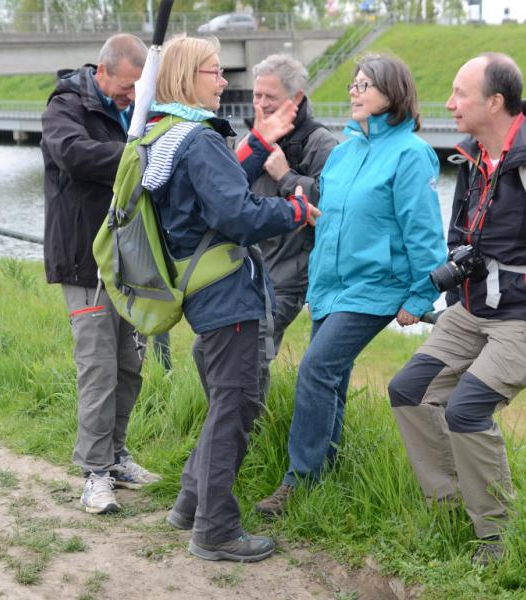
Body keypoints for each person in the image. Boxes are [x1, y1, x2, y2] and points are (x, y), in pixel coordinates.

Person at [387, 53, 526, 567]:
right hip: (471, 310)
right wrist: (449, 298)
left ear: (495, 101)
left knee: (467, 409)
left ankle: (498, 538)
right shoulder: (472, 155)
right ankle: (447, 512)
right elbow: (459, 233)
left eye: (460, 93)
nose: (449, 103)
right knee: (408, 390)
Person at [147, 37, 317, 562]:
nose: (224, 82)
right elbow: (236, 215)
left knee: (226, 403)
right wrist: (295, 212)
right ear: (186, 76)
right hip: (228, 296)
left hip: (202, 292)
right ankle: (216, 530)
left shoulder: (167, 135)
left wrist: (261, 145)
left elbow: (213, 195)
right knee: (236, 407)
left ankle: (189, 505)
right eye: (214, 72)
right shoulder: (198, 139)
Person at [255, 54, 446, 517]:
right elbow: (325, 216)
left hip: (375, 288)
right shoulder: (343, 153)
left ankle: (299, 481)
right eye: (353, 84)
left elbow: (423, 231)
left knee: (315, 370)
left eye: (365, 85)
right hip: (329, 286)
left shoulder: (410, 154)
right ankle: (328, 473)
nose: (354, 92)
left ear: (392, 94)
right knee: (331, 378)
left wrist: (421, 294)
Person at [41, 33, 160, 516]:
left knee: (129, 366)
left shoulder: (133, 105)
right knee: (98, 368)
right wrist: (140, 156)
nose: (133, 96)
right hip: (84, 260)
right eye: (128, 86)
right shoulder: (64, 106)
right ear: (103, 72)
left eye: (139, 88)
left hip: (127, 261)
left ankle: (115, 455)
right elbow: (74, 154)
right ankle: (93, 474)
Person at [192, 54, 337, 400]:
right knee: (203, 351)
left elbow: (332, 206)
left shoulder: (320, 143)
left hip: (288, 277)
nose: (260, 103)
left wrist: (285, 175)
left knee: (250, 356)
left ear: (296, 98)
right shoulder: (252, 138)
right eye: (257, 95)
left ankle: (247, 433)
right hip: (247, 271)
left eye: (269, 96)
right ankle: (227, 425)